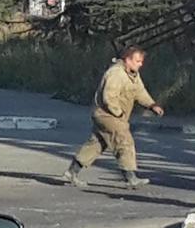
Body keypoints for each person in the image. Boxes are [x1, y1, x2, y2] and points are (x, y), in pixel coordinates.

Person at [62, 45, 165, 189]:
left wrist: (152, 105)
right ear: (127, 59)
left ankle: (71, 172)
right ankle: (130, 177)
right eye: (138, 61)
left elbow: (140, 92)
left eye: (141, 61)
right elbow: (108, 97)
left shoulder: (133, 75)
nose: (141, 64)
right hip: (107, 115)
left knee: (96, 144)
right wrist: (118, 113)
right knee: (124, 140)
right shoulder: (116, 73)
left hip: (111, 115)